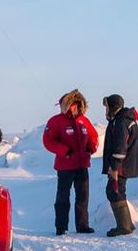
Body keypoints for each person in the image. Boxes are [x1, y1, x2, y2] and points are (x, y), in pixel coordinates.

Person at [42, 89, 99, 235]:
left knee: (83, 197)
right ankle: (61, 227)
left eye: (77, 105)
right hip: (65, 166)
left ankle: (82, 226)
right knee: (63, 198)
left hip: (82, 166)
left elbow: (93, 136)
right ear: (65, 106)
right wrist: (65, 151)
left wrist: (91, 148)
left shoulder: (84, 120)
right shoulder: (55, 121)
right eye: (72, 105)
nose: (75, 108)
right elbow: (48, 141)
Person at [102, 94, 138, 236]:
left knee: (114, 191)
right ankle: (127, 224)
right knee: (116, 191)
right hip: (124, 165)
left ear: (114, 107)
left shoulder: (121, 122)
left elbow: (120, 146)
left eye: (107, 107)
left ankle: (124, 226)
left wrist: (114, 167)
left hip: (121, 166)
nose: (106, 111)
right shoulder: (123, 119)